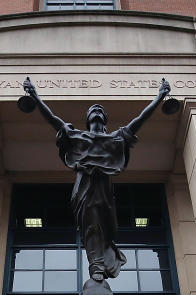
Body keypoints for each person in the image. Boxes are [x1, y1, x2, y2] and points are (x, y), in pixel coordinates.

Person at [22, 76, 170, 282]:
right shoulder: (77, 137)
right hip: (84, 189)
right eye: (93, 110)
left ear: (105, 119)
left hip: (104, 190)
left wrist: (159, 98)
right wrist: (35, 97)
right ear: (88, 118)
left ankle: (104, 261)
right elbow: (53, 119)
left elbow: (139, 121)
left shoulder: (115, 138)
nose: (97, 110)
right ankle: (97, 267)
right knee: (91, 226)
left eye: (101, 110)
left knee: (105, 229)